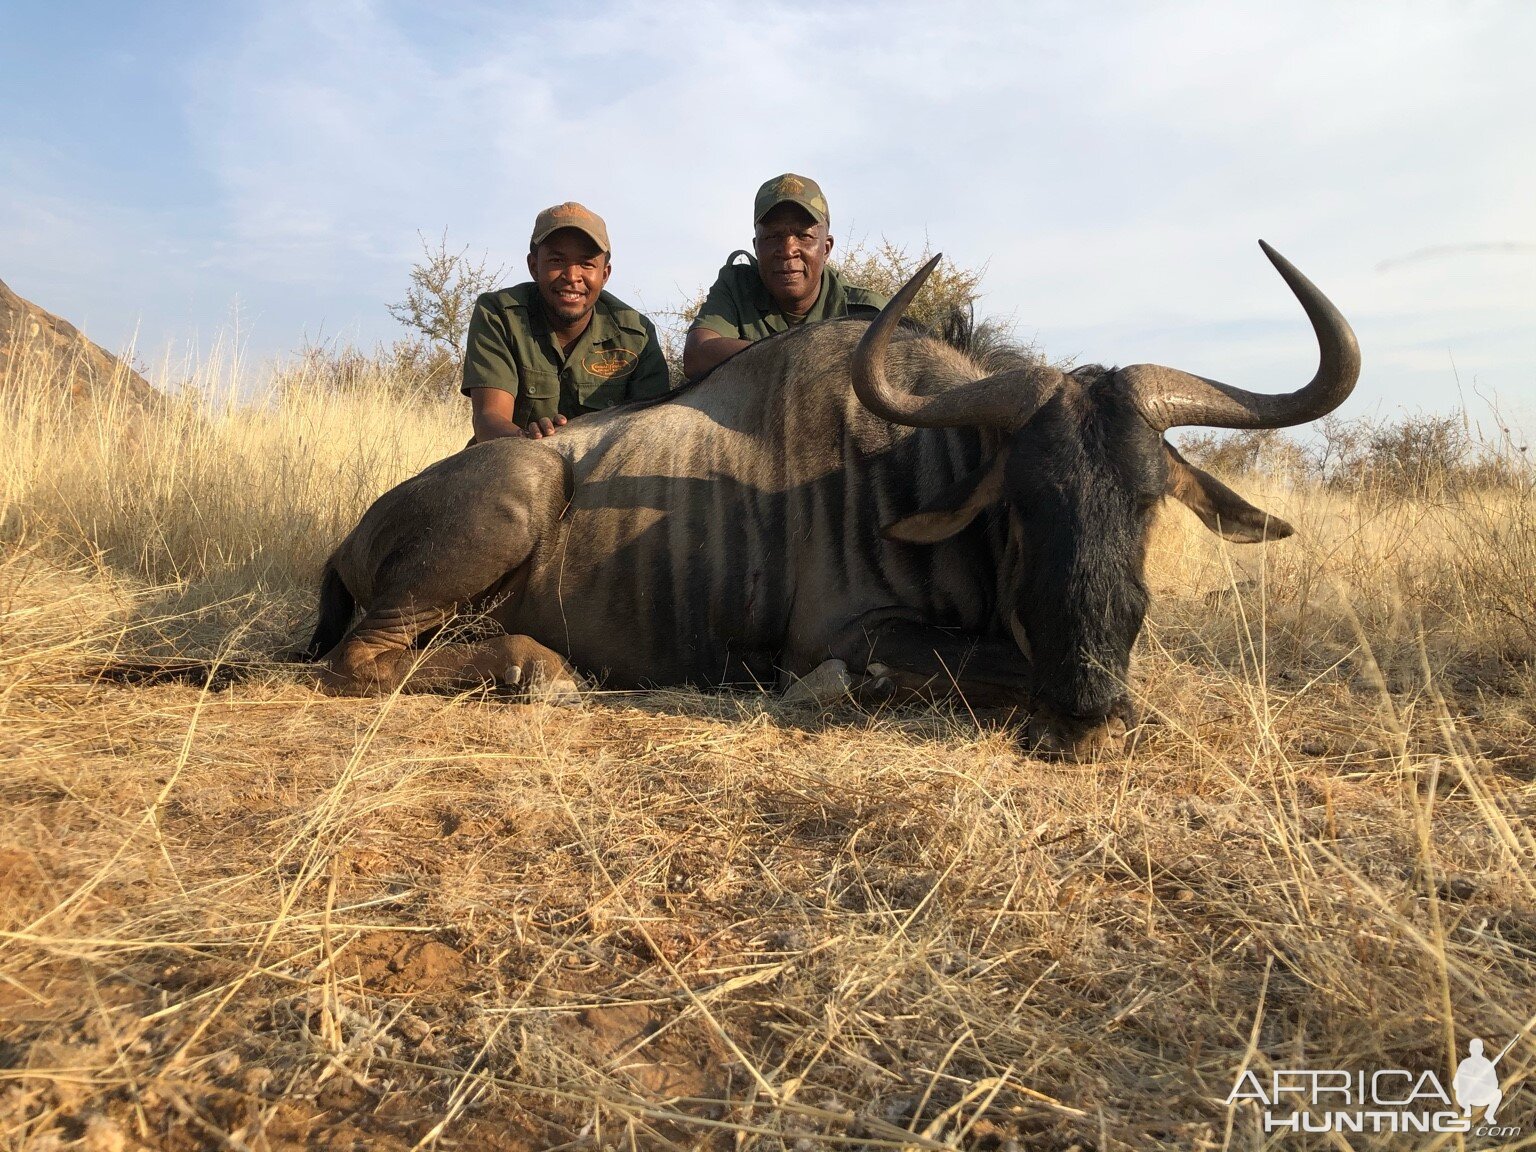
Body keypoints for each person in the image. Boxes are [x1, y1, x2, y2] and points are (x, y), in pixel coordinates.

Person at [462, 202, 670, 443]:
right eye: (556, 261)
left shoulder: (638, 335)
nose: (572, 277)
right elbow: (488, 420)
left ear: (604, 274)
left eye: (587, 264)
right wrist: (528, 440)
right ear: (533, 267)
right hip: (511, 463)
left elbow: (649, 433)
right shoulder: (499, 314)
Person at [682, 174, 889, 379]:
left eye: (804, 236)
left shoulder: (870, 313)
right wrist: (796, 355)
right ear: (756, 247)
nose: (788, 249)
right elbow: (697, 355)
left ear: (826, 249)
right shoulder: (736, 287)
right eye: (773, 236)